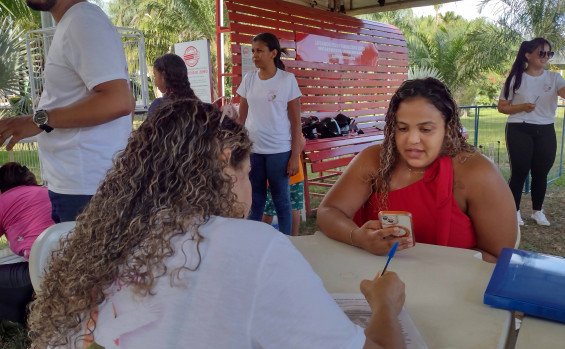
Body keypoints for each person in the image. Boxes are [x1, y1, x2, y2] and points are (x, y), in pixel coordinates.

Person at [28, 99, 406, 349]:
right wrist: (385, 305)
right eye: (247, 172)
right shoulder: (253, 247)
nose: (249, 186)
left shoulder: (102, 239)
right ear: (227, 162)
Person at [317, 78, 517, 263]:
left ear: (448, 128)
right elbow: (328, 212)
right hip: (377, 280)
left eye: (426, 129)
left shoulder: (477, 172)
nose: (412, 139)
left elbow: (500, 257)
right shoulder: (374, 159)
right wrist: (357, 237)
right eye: (403, 128)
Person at [0, 0, 134, 223]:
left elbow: (118, 101)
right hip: (84, 185)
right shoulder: (76, 21)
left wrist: (38, 121)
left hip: (87, 190)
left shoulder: (82, 21)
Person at [236, 32, 302, 236]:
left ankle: (287, 243)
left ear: (273, 53)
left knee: (282, 200)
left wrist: (294, 156)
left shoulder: (287, 80)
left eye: (260, 51)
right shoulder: (249, 79)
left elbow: (296, 122)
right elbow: (241, 117)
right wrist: (239, 148)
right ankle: (253, 243)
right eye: (253, 51)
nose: (255, 56)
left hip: (280, 152)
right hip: (254, 151)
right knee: (255, 200)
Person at [497, 38, 565, 227]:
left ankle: (538, 211)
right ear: (528, 55)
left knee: (541, 173)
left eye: (548, 53)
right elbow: (502, 107)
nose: (546, 57)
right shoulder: (515, 78)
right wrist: (521, 107)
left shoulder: (554, 78)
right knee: (519, 172)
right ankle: (515, 212)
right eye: (541, 53)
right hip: (519, 128)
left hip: (546, 129)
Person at [0, 162, 54, 324]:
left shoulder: (3, 201)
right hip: (69, 263)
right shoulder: (47, 191)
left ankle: (27, 318)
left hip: (40, 272)